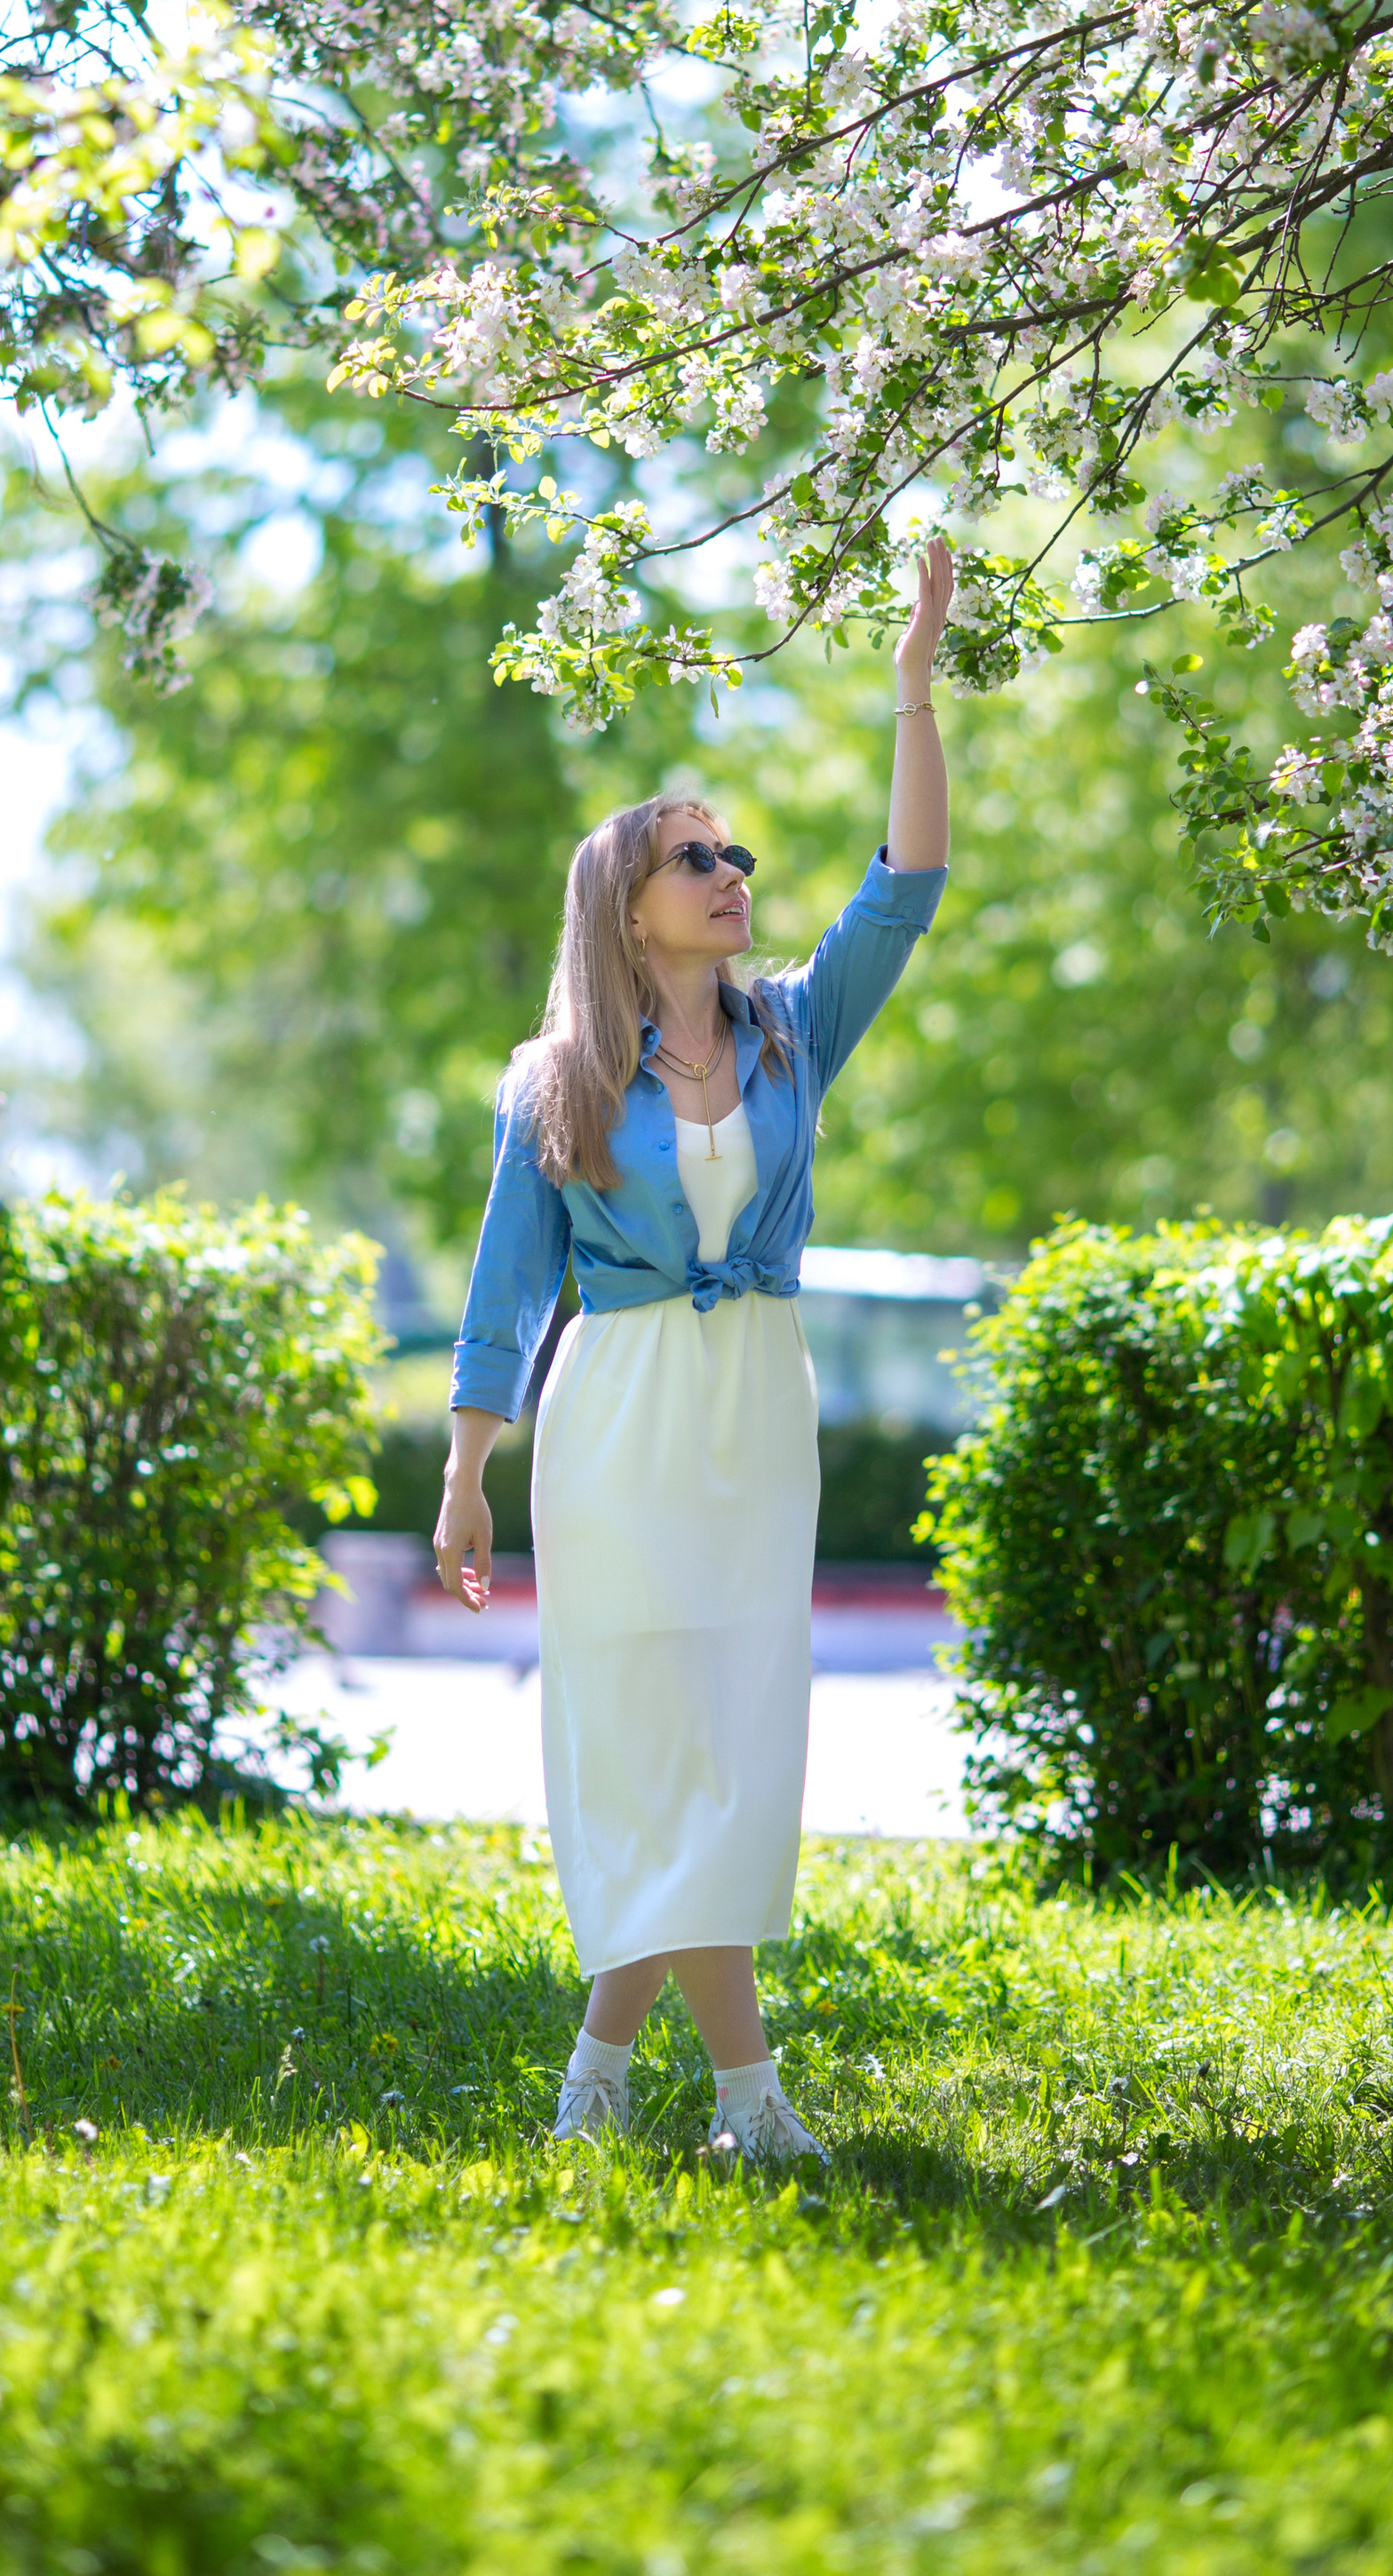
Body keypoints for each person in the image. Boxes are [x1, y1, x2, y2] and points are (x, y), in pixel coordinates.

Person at [435, 537, 956, 2163]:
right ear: (628, 906)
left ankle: (600, 2079)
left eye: (732, 852)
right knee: (659, 1749)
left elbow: (906, 890)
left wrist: (914, 686)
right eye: (693, 858)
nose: (730, 872)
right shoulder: (557, 1080)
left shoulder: (794, 1029)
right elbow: (507, 1288)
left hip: (756, 1422)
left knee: (736, 1746)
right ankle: (751, 2103)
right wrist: (466, 1475)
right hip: (620, 1428)